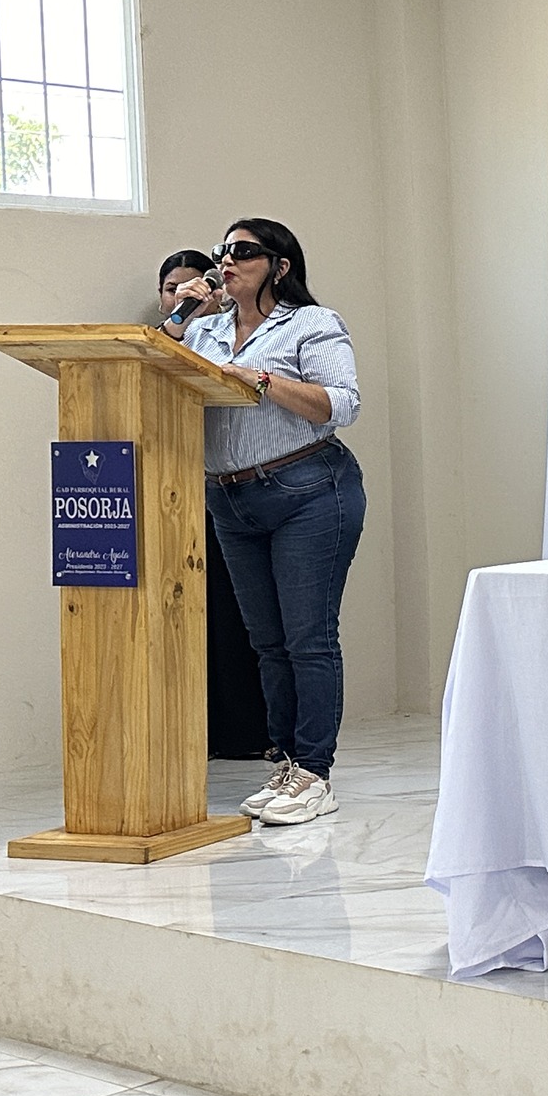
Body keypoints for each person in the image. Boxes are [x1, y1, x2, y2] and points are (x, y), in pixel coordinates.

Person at [183, 219, 366, 825]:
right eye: (222, 252)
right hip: (230, 498)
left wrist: (261, 380)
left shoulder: (311, 323)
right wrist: (179, 319)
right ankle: (285, 764)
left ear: (280, 266)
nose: (227, 261)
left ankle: (314, 772)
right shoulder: (204, 329)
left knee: (307, 638)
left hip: (307, 490)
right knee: (266, 642)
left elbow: (342, 403)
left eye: (243, 252)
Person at [155, 248, 269, 759]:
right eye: (171, 289)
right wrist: (180, 319)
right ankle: (190, 728)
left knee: (234, 614)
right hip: (168, 493)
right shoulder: (161, 339)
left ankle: (246, 732)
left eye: (195, 286)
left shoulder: (229, 338)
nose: (183, 295)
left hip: (227, 487)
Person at [155, 248, 224, 340]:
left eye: (196, 288)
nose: (183, 295)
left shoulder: (234, 338)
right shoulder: (146, 341)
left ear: (218, 296)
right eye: (173, 290)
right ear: (161, 295)